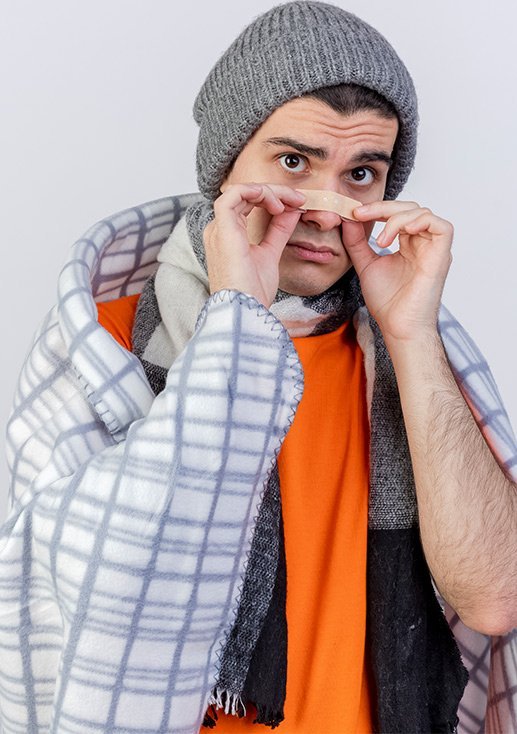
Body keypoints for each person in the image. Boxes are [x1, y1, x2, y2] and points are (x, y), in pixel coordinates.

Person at [1, 2, 516, 732]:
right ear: (224, 166)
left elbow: (495, 599)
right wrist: (237, 318)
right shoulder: (106, 344)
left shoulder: (408, 359)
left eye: (360, 173)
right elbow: (69, 604)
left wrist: (412, 337)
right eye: (294, 162)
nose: (325, 209)